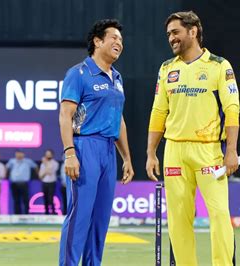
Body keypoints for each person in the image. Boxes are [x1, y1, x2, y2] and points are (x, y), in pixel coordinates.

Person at [146, 11, 240, 265]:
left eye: (175, 32)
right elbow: (158, 112)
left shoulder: (219, 65)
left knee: (220, 214)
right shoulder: (167, 68)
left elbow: (232, 109)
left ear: (193, 31)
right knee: (178, 219)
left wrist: (231, 150)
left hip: (209, 150)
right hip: (174, 150)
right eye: (168, 35)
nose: (171, 39)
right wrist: (151, 153)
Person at [58, 19, 134, 266]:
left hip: (108, 151)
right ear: (98, 41)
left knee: (101, 220)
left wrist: (127, 159)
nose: (119, 43)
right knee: (80, 217)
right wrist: (70, 153)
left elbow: (119, 119)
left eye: (121, 41)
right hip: (84, 147)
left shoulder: (118, 78)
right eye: (114, 38)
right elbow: (65, 115)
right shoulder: (79, 73)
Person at [6, 150, 38, 214]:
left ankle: (26, 214)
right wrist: (6, 176)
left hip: (24, 183)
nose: (19, 155)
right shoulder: (12, 161)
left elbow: (35, 167)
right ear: (15, 154)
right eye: (18, 154)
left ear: (23, 154)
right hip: (14, 183)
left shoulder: (28, 161)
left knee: (25, 200)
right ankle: (17, 215)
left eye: (20, 154)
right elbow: (7, 168)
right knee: (16, 200)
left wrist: (38, 175)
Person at [39, 149, 59, 215]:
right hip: (44, 182)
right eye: (47, 154)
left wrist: (46, 164)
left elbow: (50, 172)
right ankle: (46, 212)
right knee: (45, 198)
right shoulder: (42, 164)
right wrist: (45, 169)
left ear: (52, 155)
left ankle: (53, 212)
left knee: (51, 198)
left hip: (51, 182)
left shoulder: (55, 163)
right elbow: (40, 175)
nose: (48, 155)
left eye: (49, 154)